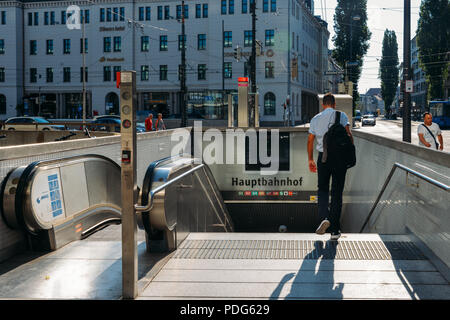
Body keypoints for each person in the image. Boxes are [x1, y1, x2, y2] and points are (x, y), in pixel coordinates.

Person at [307, 93, 354, 240]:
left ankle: (324, 218)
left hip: (323, 158)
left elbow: (310, 140)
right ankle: (334, 230)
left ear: (323, 104)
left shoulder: (315, 119)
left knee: (322, 189)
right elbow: (348, 135)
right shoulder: (342, 116)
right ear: (334, 104)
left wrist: (310, 159)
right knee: (337, 193)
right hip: (339, 158)